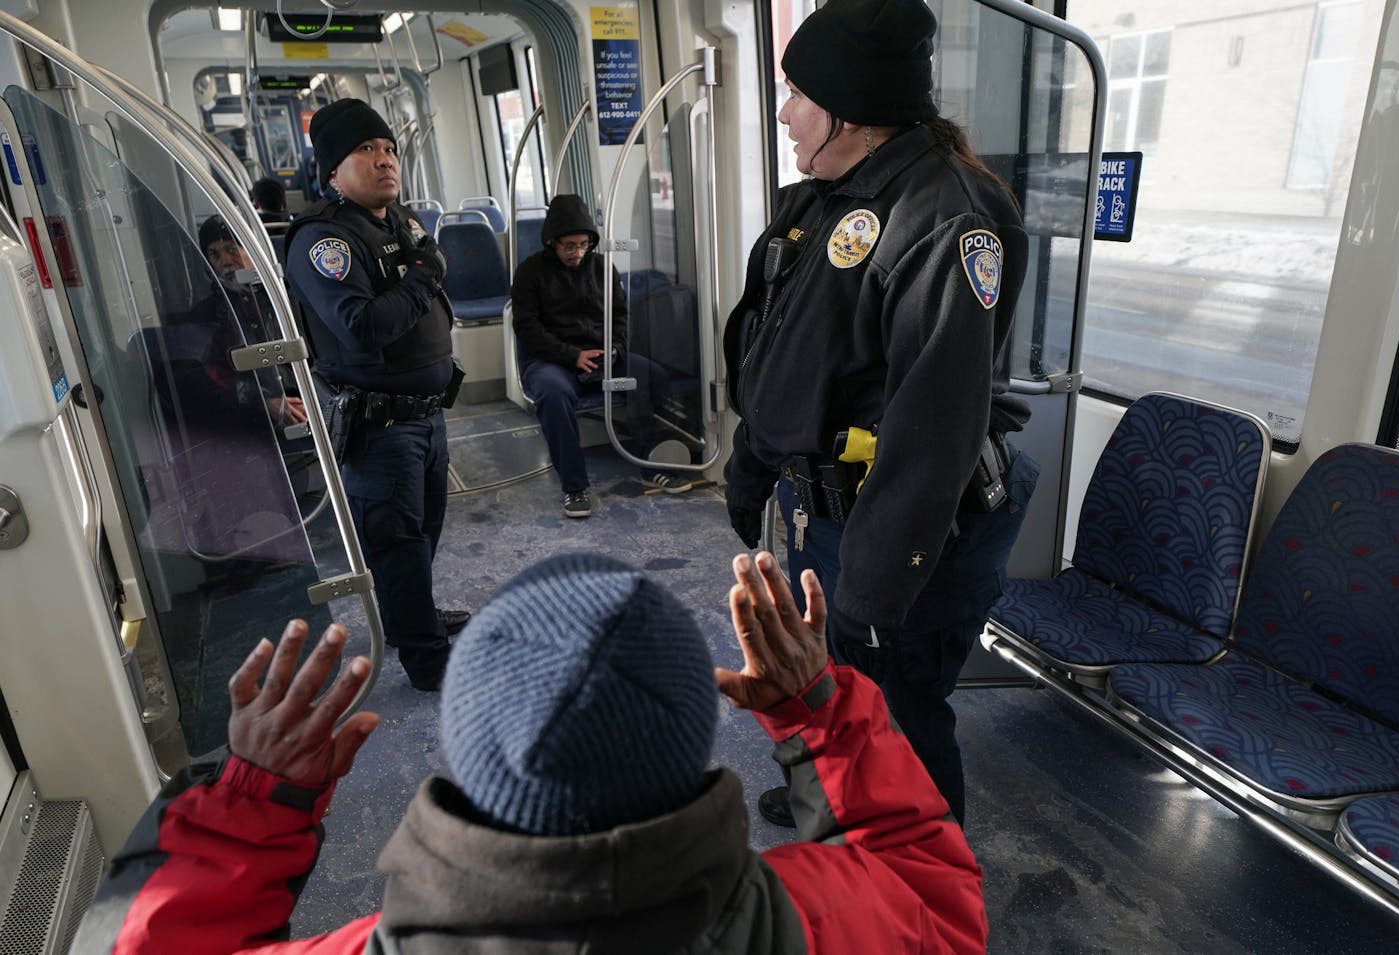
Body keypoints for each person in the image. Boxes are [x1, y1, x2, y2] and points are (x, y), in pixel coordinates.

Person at [72, 551, 989, 954]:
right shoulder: (837, 914)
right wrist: (820, 713)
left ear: (469, 753)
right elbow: (934, 896)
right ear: (691, 744)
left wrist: (245, 805)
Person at [722, 0, 1040, 827]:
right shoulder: (825, 197)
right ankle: (824, 799)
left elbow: (933, 434)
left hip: (901, 530)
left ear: (850, 106)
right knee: (823, 690)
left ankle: (920, 903)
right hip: (822, 511)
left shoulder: (944, 217)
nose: (786, 114)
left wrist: (868, 592)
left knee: (899, 720)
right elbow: (780, 350)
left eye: (798, 93)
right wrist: (753, 468)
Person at [284, 98, 468, 691]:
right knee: (397, 543)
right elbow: (361, 328)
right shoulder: (325, 241)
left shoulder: (399, 220)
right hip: (380, 425)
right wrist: (423, 277)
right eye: (366, 150)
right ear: (333, 171)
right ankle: (428, 661)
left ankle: (410, 616)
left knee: (424, 532)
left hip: (426, 416)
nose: (384, 159)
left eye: (388, 148)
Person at [511, 193, 694, 519]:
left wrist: (615, 349)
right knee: (553, 394)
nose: (577, 253)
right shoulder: (530, 272)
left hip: (603, 354)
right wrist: (571, 355)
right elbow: (527, 328)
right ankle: (574, 487)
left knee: (652, 375)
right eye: (569, 246)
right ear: (552, 242)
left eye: (583, 245)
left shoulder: (601, 266)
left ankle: (651, 462)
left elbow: (621, 316)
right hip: (552, 359)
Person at [193, 214, 305, 428]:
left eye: (232, 249)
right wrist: (261, 401)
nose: (225, 261)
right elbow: (209, 378)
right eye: (214, 254)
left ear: (254, 251)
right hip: (252, 423)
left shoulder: (289, 297)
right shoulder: (208, 314)